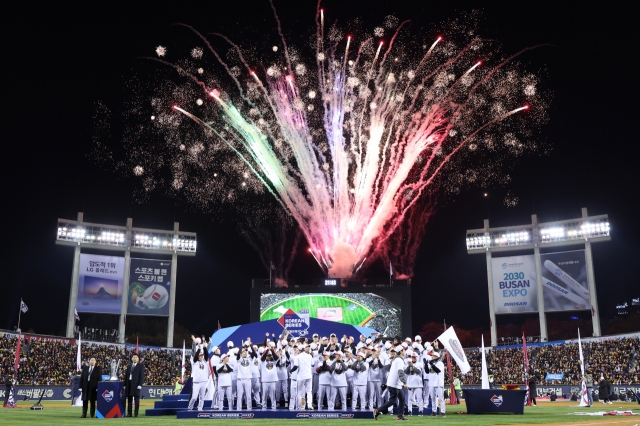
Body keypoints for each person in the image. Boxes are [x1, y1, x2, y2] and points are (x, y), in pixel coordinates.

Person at [374, 347, 408, 421]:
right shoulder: (399, 360)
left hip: (395, 384)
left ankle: (400, 415)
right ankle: (377, 410)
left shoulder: (396, 359)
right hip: (394, 384)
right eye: (404, 350)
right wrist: (404, 382)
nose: (405, 351)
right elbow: (400, 372)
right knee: (392, 401)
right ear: (401, 351)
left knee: (402, 399)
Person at [188, 343, 211, 411]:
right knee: (194, 397)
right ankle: (190, 407)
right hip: (196, 382)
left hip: (203, 382)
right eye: (200, 356)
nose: (201, 357)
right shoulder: (194, 362)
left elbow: (207, 354)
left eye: (202, 356)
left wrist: (204, 347)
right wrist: (198, 349)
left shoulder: (204, 361)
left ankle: (200, 409)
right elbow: (195, 357)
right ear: (198, 356)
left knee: (202, 398)